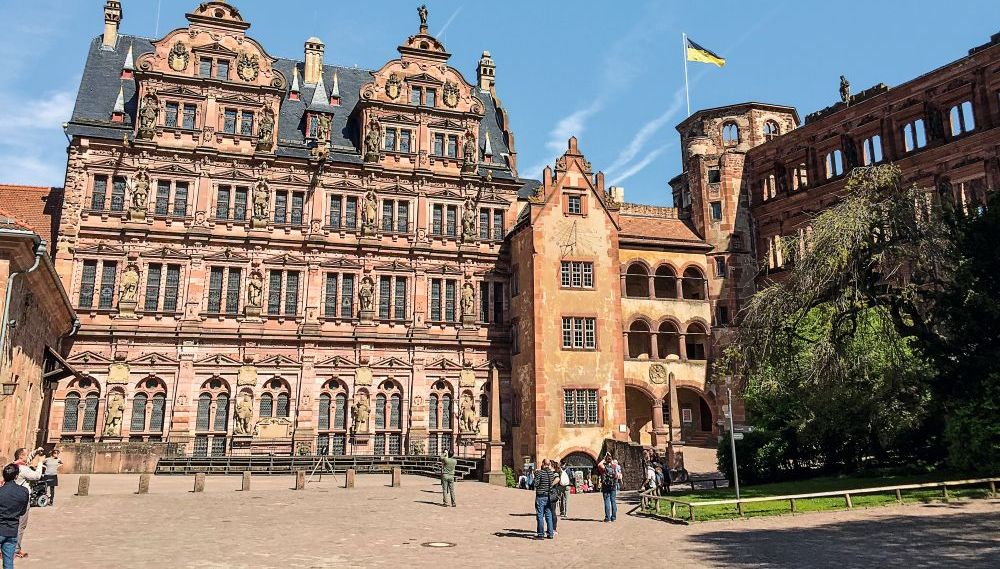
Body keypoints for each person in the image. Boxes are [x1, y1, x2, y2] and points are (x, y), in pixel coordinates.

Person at [12, 449, 42, 559]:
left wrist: (36, 452)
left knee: (9, 523)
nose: (28, 456)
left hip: (11, 498)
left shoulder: (12, 466)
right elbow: (37, 476)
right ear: (21, 456)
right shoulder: (23, 469)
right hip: (22, 500)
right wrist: (40, 462)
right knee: (20, 525)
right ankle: (15, 550)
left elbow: (27, 459)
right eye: (26, 454)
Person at [0, 463, 29, 569]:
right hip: (12, 531)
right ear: (16, 476)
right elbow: (22, 512)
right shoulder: (24, 491)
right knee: (8, 563)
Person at [532, 459, 559, 539]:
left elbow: (535, 484)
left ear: (543, 464)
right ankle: (550, 533)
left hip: (541, 496)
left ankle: (540, 534)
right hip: (549, 496)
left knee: (540, 515)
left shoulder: (540, 473)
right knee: (549, 515)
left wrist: (534, 477)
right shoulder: (551, 473)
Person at [597, 453, 622, 522]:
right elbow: (617, 473)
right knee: (613, 501)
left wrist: (604, 458)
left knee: (607, 501)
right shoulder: (614, 466)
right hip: (613, 485)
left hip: (605, 485)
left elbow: (599, 464)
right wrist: (610, 458)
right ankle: (613, 517)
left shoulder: (603, 467)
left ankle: (607, 518)